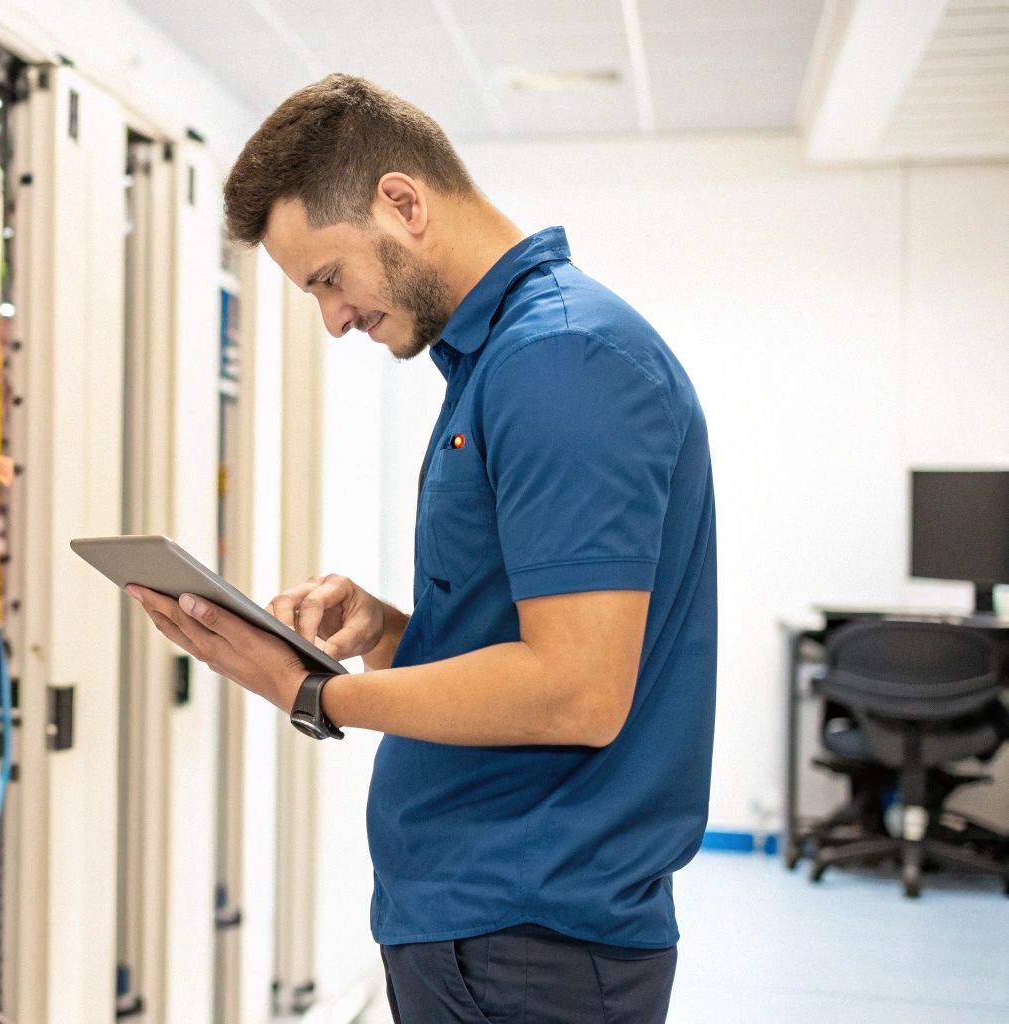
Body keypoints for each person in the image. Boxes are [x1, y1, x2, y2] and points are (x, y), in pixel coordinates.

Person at [124, 74, 716, 1023]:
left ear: (402, 203)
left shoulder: (561, 361)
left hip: (534, 945)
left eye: (327, 278)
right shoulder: (496, 363)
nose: (333, 318)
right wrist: (388, 629)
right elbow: (516, 653)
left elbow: (578, 690)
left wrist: (310, 691)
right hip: (483, 931)